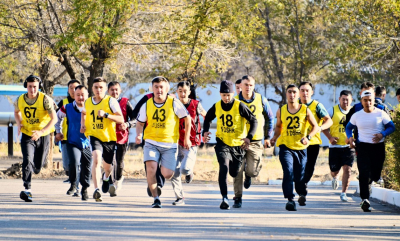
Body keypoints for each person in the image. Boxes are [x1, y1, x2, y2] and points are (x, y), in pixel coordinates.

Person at [136, 76, 191, 208]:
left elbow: (187, 119)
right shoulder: (147, 104)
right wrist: (138, 135)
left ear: (166, 89)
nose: (159, 90)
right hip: (151, 142)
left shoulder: (174, 102)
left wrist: (187, 138)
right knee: (151, 169)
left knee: (167, 174)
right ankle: (156, 198)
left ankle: (156, 181)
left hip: (169, 144)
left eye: (161, 87)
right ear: (152, 89)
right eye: (156, 87)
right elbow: (140, 122)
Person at [203, 80, 257, 210]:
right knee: (224, 167)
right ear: (220, 94)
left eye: (229, 95)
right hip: (223, 142)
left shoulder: (240, 106)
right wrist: (205, 131)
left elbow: (253, 120)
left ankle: (242, 168)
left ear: (233, 93)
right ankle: (224, 198)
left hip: (238, 145)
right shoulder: (217, 106)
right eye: (223, 95)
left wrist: (249, 137)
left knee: (234, 173)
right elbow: (207, 118)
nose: (226, 98)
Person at [270, 84, 319, 211]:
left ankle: (302, 193)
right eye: (289, 92)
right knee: (288, 171)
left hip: (301, 147)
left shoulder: (305, 110)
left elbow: (315, 127)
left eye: (294, 92)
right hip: (285, 146)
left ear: (298, 95)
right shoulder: (281, 110)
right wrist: (274, 138)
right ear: (286, 94)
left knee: (300, 175)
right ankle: (290, 199)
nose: (292, 95)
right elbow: (278, 126)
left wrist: (308, 137)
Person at [346, 90, 395, 212]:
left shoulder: (381, 113)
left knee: (375, 174)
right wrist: (350, 137)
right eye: (365, 100)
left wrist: (382, 134)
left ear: (374, 101)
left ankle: (372, 180)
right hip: (363, 147)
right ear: (361, 101)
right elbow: (348, 127)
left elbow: (391, 126)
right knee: (363, 173)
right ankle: (365, 200)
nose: (368, 102)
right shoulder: (357, 115)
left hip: (378, 147)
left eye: (370, 100)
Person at [232, 76, 274, 208]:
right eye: (245, 85)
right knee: (237, 170)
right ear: (241, 86)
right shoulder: (234, 100)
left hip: (255, 141)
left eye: (250, 85)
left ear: (254, 85)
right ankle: (237, 198)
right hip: (238, 141)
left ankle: (249, 175)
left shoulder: (261, 99)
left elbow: (270, 118)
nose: (248, 87)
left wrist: (267, 136)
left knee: (252, 171)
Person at [14, 75, 57, 202]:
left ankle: (35, 170)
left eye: (35, 87)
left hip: (43, 135)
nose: (32, 90)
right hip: (27, 133)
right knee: (27, 160)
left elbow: (54, 118)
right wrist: (18, 123)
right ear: (26, 86)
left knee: (37, 167)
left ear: (39, 87)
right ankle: (27, 189)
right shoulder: (20, 99)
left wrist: (42, 131)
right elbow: (16, 112)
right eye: (30, 87)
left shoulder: (45, 100)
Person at [81, 77, 124, 202]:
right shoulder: (88, 102)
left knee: (108, 167)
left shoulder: (111, 101)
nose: (98, 89)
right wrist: (82, 125)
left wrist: (106, 115)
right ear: (92, 88)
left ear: (105, 89)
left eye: (101, 87)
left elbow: (120, 119)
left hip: (109, 137)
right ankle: (96, 189)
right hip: (94, 135)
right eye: (96, 87)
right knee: (96, 159)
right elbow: (83, 113)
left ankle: (106, 177)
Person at [170, 81, 207, 205]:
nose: (182, 93)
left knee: (184, 170)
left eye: (185, 91)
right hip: (176, 141)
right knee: (174, 171)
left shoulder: (196, 104)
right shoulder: (173, 104)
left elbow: (206, 116)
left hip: (191, 142)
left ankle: (189, 172)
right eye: (180, 91)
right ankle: (179, 197)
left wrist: (205, 131)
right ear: (177, 92)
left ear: (189, 92)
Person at [55, 85, 92, 201]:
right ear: (74, 95)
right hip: (73, 141)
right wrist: (58, 132)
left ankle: (85, 189)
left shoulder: (92, 107)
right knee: (74, 162)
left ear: (87, 96)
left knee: (87, 167)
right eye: (78, 95)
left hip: (88, 143)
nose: (80, 97)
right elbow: (57, 119)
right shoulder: (67, 107)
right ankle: (73, 184)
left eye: (83, 95)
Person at [322, 90, 355, 202]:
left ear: (351, 100)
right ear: (339, 99)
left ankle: (343, 193)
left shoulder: (354, 111)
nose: (345, 101)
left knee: (348, 169)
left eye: (347, 99)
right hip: (335, 147)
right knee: (334, 170)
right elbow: (324, 126)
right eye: (343, 99)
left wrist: (354, 140)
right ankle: (335, 177)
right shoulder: (332, 110)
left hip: (348, 146)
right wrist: (330, 138)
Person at [299, 82, 332, 185]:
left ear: (312, 92)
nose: (305, 93)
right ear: (298, 92)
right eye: (302, 90)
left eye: (307, 90)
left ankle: (303, 185)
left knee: (309, 166)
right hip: (297, 142)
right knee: (298, 166)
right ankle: (300, 185)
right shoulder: (295, 105)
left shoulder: (317, 106)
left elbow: (329, 121)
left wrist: (320, 128)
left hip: (313, 142)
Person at [107, 81, 136, 196]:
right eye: (112, 90)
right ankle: (110, 184)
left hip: (122, 136)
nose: (114, 92)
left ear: (120, 91)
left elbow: (135, 118)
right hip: (107, 135)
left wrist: (127, 124)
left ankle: (118, 179)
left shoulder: (125, 102)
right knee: (108, 161)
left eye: (116, 90)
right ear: (108, 91)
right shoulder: (104, 102)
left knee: (118, 161)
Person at [55, 79, 81, 183]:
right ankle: (72, 177)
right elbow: (56, 119)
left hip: (79, 137)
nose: (74, 90)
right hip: (65, 136)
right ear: (68, 90)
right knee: (66, 164)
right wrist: (57, 133)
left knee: (77, 161)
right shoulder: (63, 103)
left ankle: (76, 180)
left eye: (76, 88)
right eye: (71, 88)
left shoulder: (85, 103)